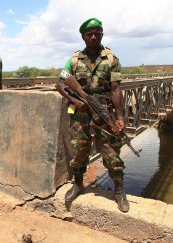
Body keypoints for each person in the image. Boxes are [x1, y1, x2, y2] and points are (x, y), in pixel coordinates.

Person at [55, 17, 129, 212]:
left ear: (102, 35)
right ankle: (78, 184)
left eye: (97, 33)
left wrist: (120, 118)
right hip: (80, 114)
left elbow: (115, 90)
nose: (94, 36)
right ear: (83, 36)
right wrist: (78, 102)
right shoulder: (73, 60)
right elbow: (61, 84)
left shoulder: (111, 59)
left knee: (111, 152)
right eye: (90, 34)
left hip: (104, 111)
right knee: (79, 150)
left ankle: (119, 190)